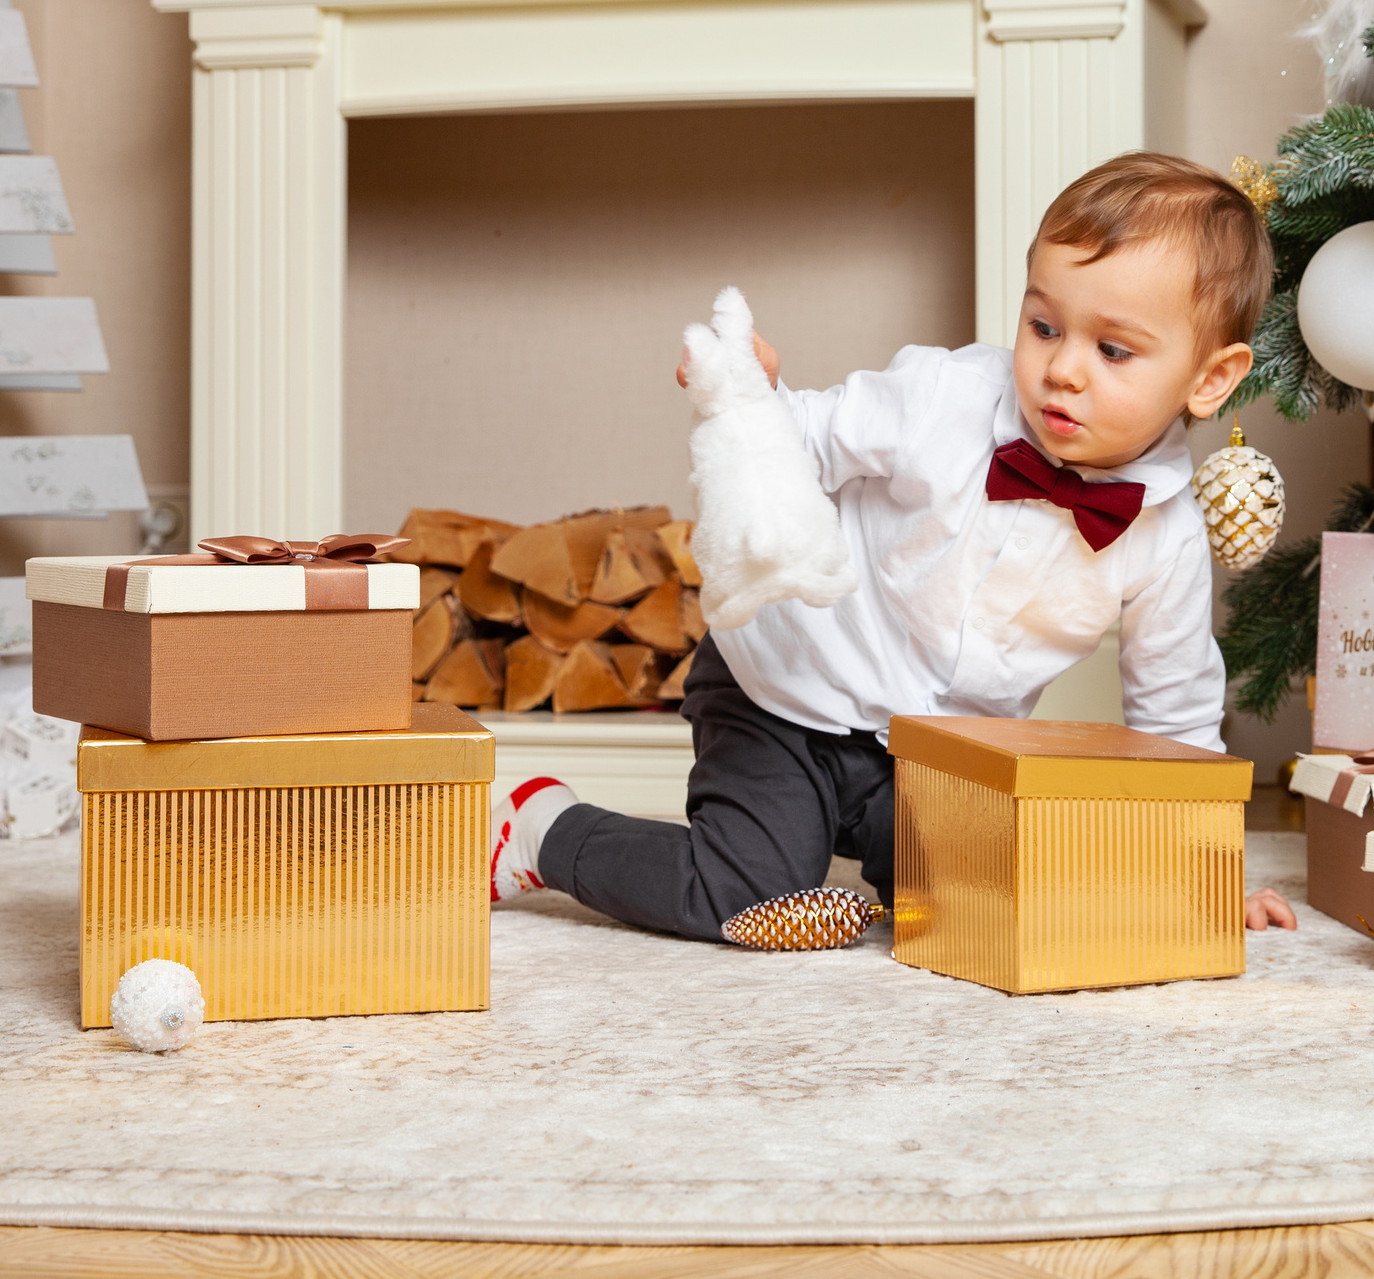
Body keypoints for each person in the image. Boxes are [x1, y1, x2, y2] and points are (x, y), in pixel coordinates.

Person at [490, 152, 1299, 938]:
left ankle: (871, 856)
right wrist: (751, 394)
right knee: (744, 891)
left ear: (1210, 379)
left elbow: (1174, 711)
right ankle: (541, 828)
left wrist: (1201, 865)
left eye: (1112, 350)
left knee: (1008, 900)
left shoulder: (1168, 536)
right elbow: (806, 438)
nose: (1063, 369)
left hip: (931, 755)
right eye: (1044, 326)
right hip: (786, 687)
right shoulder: (945, 396)